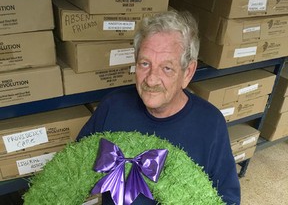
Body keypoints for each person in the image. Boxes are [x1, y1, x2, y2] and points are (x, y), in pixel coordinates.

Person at [77, 10, 241, 205]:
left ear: (187, 73)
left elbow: (227, 198)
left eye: (167, 68)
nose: (152, 79)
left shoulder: (210, 124)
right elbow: (76, 164)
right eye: (145, 64)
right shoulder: (113, 105)